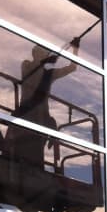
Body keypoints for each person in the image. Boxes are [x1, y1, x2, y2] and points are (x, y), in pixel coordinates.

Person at [8, 38, 80, 170]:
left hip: (41, 117)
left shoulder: (49, 71)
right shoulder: (27, 65)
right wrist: (50, 62)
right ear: (34, 54)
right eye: (40, 53)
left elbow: (72, 67)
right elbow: (38, 71)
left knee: (36, 154)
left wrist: (75, 49)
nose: (41, 56)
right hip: (27, 114)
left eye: (44, 54)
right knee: (23, 150)